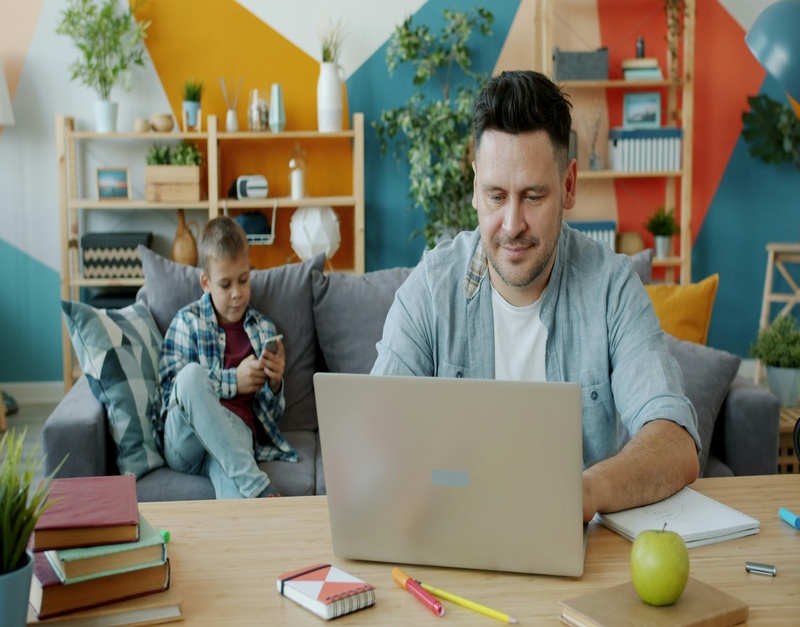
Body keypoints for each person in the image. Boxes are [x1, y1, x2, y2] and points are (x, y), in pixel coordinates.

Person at [371, 70, 700, 522]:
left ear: (568, 186)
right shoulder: (429, 290)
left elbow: (675, 440)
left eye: (532, 196)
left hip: (578, 555)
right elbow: (375, 440)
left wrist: (587, 491)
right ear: (474, 188)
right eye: (495, 195)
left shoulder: (612, 288)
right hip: (453, 542)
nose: (511, 224)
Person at [153, 217, 297, 498]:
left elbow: (271, 418)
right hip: (186, 442)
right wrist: (234, 381)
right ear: (205, 282)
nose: (237, 293)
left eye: (243, 280)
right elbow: (172, 391)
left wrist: (276, 384)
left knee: (234, 483)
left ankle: (251, 514)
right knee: (191, 374)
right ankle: (258, 485)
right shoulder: (187, 322)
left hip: (236, 438)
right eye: (225, 284)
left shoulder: (263, 329)